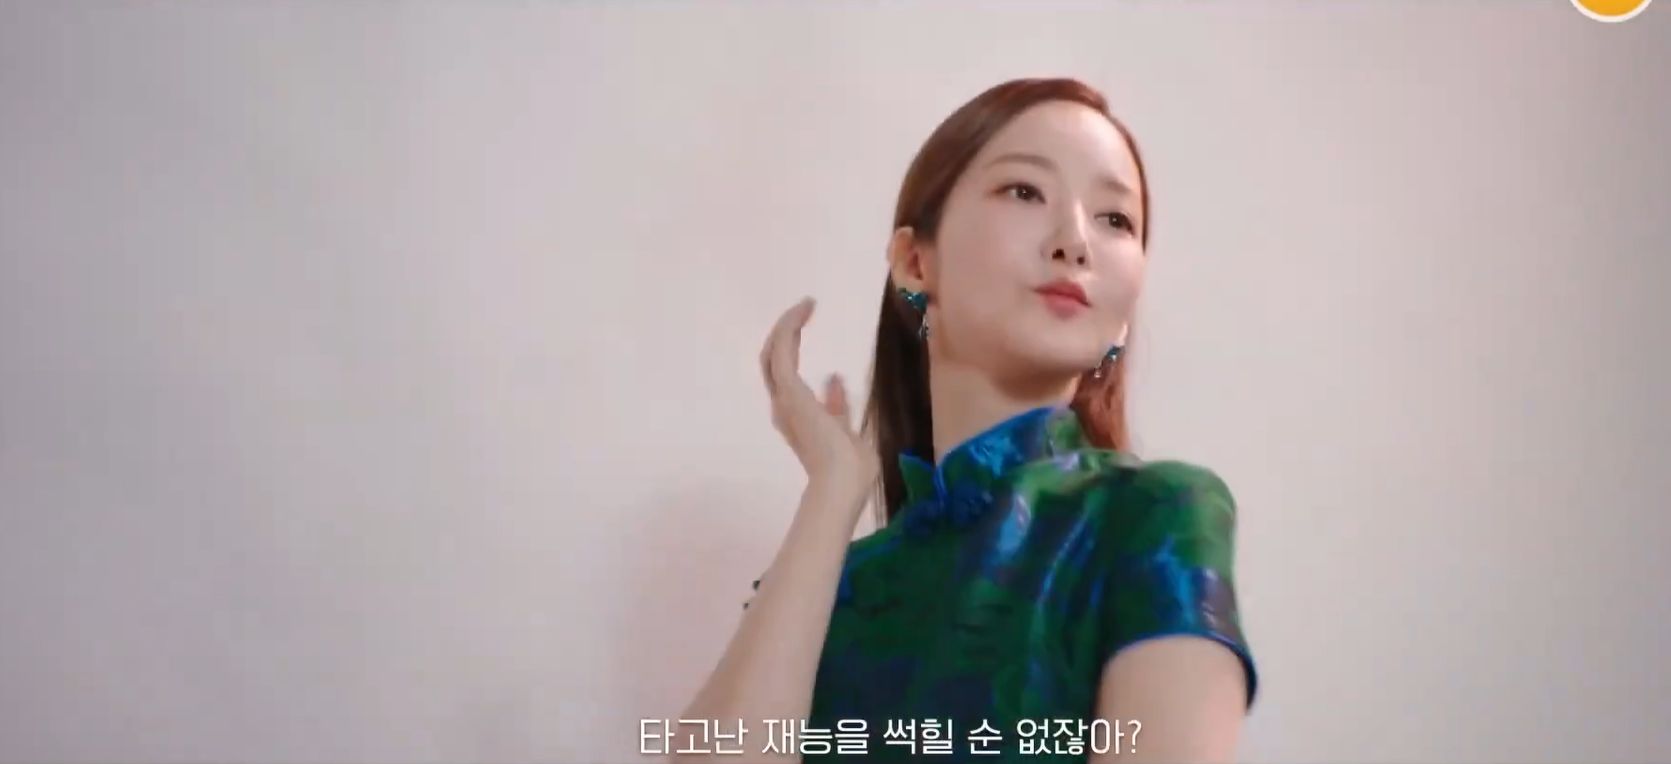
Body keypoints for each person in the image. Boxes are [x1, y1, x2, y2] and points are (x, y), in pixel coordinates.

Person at [675, 77, 1258, 763]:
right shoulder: (830, 585)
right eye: (1025, 191)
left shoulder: (1157, 514)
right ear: (914, 261)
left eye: (1115, 220)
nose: (1076, 242)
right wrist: (832, 491)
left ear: (1122, 317)